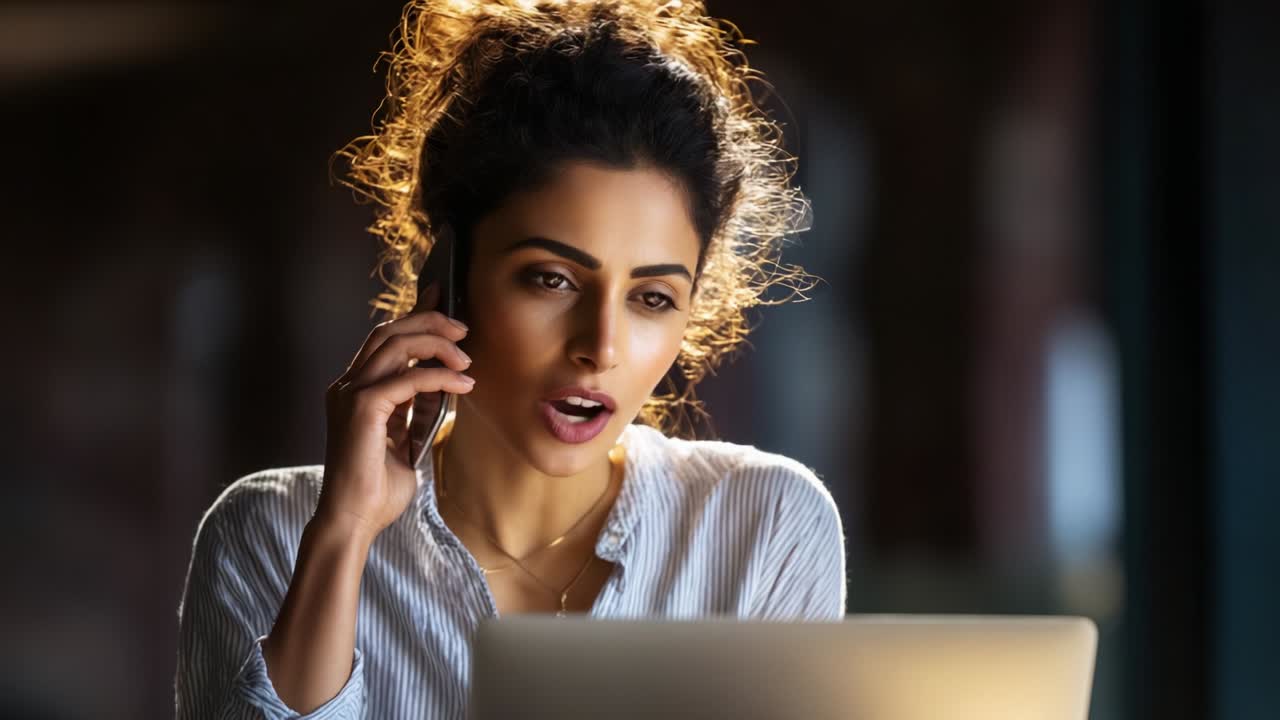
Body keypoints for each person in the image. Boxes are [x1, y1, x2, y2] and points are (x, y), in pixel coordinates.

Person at [174, 0, 846, 717]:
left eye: (651, 298)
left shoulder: (762, 527)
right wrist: (344, 534)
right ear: (447, 272)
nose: (600, 348)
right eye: (551, 280)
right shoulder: (269, 536)